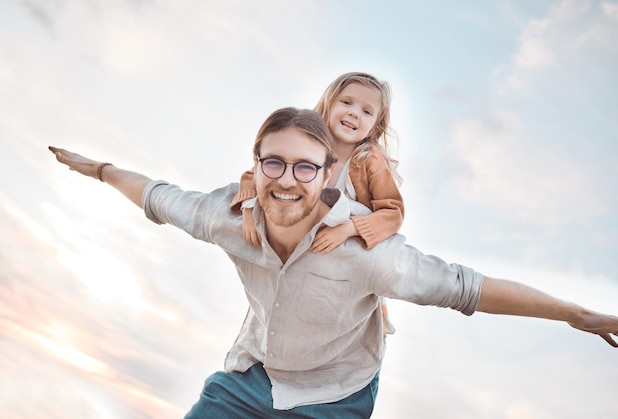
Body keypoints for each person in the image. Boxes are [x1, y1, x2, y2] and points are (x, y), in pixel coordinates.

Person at [49, 107, 618, 418]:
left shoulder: (369, 255)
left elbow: (469, 289)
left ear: (327, 177)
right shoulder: (227, 215)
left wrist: (576, 314)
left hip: (338, 399)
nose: (288, 181)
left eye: (305, 168)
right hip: (251, 381)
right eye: (275, 164)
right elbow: (154, 193)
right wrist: (99, 169)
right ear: (256, 167)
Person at [232, 72, 403, 334]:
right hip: (304, 242)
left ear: (375, 127)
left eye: (366, 111)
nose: (354, 113)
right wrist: (247, 209)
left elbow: (393, 212)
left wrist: (348, 229)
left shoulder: (369, 160)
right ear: (329, 103)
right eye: (346, 103)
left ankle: (371, 319)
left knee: (353, 300)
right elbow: (256, 173)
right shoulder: (305, 143)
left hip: (345, 245)